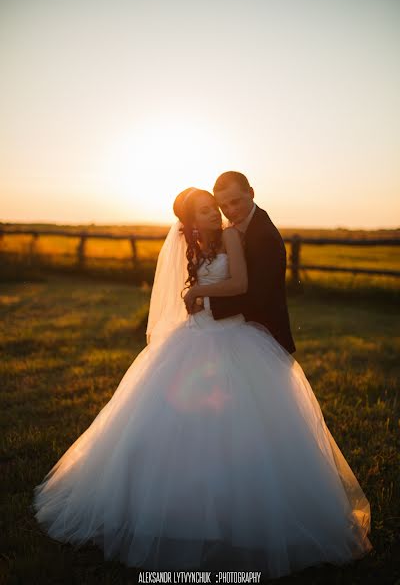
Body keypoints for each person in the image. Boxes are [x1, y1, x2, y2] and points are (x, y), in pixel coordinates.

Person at [31, 187, 372, 579]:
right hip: (195, 335)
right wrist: (193, 294)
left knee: (249, 423)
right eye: (205, 211)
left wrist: (199, 290)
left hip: (233, 335)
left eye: (215, 208)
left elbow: (240, 284)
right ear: (190, 222)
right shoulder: (189, 243)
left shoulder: (230, 235)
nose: (214, 215)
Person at [185, 171, 296, 356]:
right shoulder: (234, 227)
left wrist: (205, 302)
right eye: (223, 206)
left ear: (251, 193)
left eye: (235, 202)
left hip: (265, 335)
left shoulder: (264, 235)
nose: (229, 211)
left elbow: (256, 295)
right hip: (238, 330)